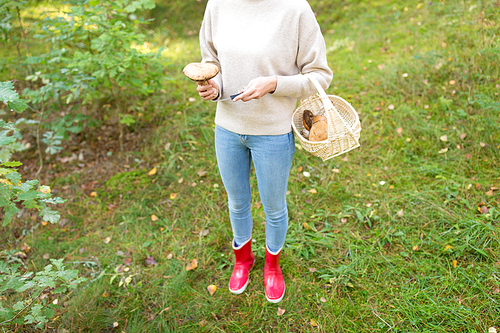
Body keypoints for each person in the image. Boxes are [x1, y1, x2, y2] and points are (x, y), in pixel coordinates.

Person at [193, 0, 332, 303]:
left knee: (274, 207)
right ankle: (243, 260)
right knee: (237, 203)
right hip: (227, 127)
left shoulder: (295, 10)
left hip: (272, 131)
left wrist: (275, 84)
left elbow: (320, 76)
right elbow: (212, 62)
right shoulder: (217, 5)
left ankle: (272, 266)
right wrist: (213, 86)